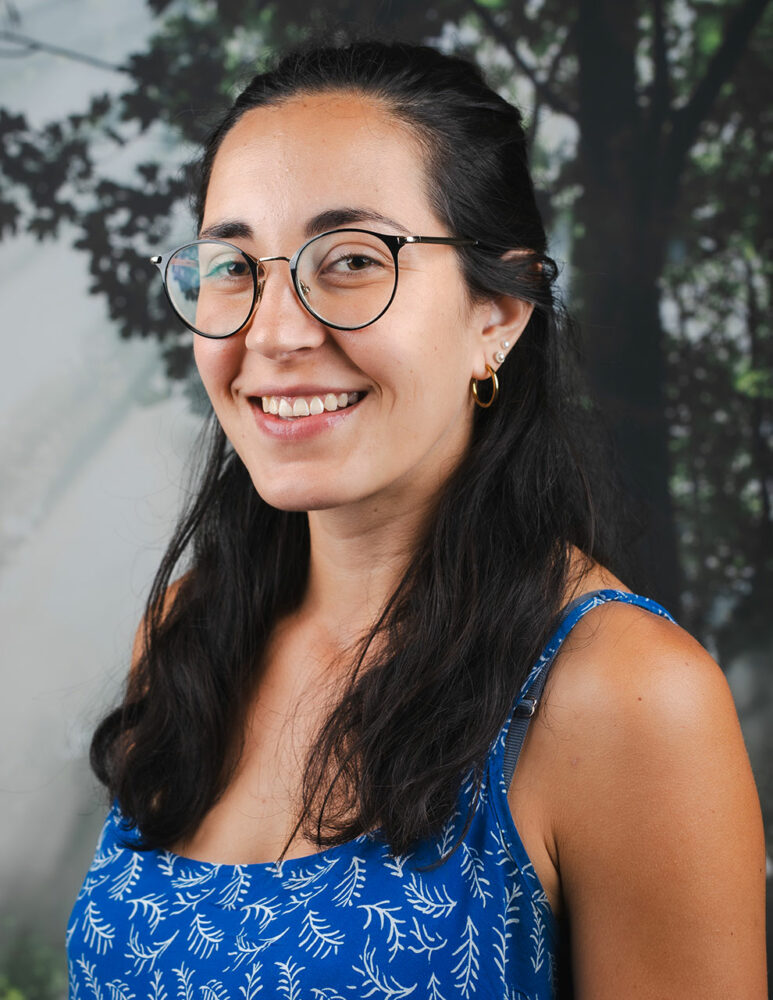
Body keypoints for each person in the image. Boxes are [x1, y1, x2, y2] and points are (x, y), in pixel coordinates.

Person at [66, 40, 766, 999]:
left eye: (351, 260)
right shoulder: (190, 632)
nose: (272, 332)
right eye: (232, 265)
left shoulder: (623, 696)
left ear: (499, 312)